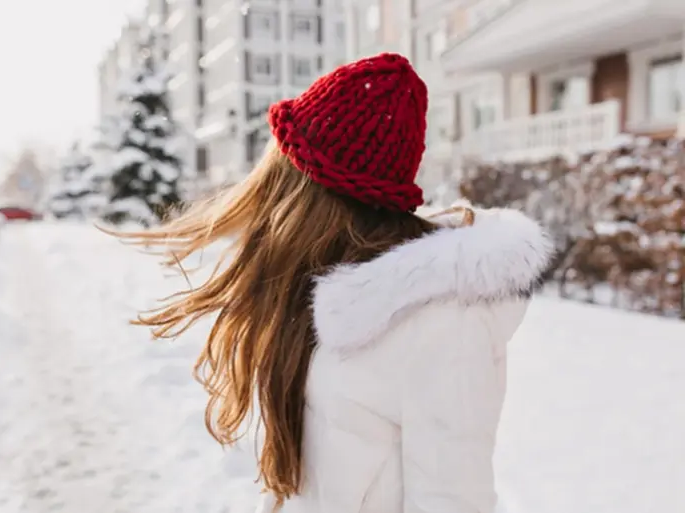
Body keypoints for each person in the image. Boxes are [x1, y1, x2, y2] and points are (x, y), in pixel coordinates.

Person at [131, 53, 554, 513]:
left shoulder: (443, 324)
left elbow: (454, 501)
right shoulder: (324, 286)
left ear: (310, 198)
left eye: (281, 177)